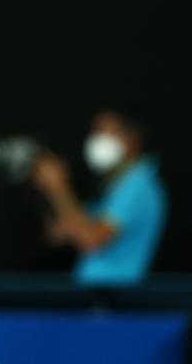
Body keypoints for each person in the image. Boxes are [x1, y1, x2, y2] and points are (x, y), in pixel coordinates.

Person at [30, 110, 167, 285]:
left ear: (132, 138)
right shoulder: (115, 186)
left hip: (115, 299)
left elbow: (91, 239)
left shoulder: (137, 185)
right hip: (97, 295)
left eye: (106, 132)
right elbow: (58, 233)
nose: (96, 140)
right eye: (95, 132)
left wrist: (59, 189)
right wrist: (47, 189)